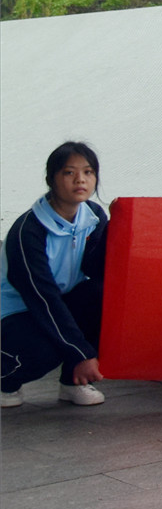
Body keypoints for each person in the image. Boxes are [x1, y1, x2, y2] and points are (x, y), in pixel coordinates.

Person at [2, 143, 110, 408]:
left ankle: (73, 383)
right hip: (15, 312)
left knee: (101, 294)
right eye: (69, 172)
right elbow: (42, 298)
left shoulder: (94, 216)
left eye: (88, 172)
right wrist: (82, 353)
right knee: (47, 349)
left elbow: (95, 269)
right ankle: (5, 383)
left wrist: (118, 227)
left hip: (58, 301)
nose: (80, 180)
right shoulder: (28, 231)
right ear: (51, 179)